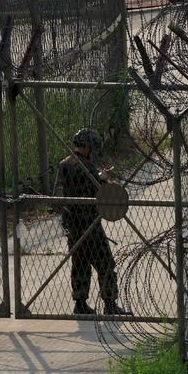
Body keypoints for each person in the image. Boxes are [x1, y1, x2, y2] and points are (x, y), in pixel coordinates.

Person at [57, 128, 131, 316]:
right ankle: (110, 303)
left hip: (73, 224)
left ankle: (80, 303)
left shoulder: (64, 164)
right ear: (88, 147)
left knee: (80, 263)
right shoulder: (85, 167)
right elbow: (96, 190)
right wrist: (103, 179)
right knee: (105, 262)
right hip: (89, 223)